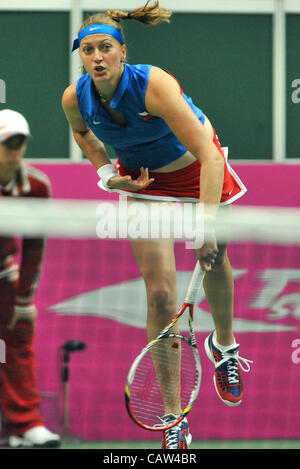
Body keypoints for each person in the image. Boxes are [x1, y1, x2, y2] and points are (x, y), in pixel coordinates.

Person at [62, 1, 252, 449]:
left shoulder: (154, 85)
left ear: (122, 51)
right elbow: (83, 135)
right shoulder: (75, 97)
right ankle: (173, 416)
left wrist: (204, 228)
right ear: (82, 57)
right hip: (144, 180)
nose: (97, 57)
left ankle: (224, 345)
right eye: (88, 50)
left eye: (105, 47)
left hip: (197, 167)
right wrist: (108, 174)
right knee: (161, 295)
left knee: (215, 256)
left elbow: (208, 155)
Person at [0, 109, 61, 448]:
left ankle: (26, 425)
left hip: (2, 273)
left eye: (20, 143)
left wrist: (24, 300)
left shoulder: (35, 186)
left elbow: (34, 246)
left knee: (17, 341)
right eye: (9, 142)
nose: (15, 149)